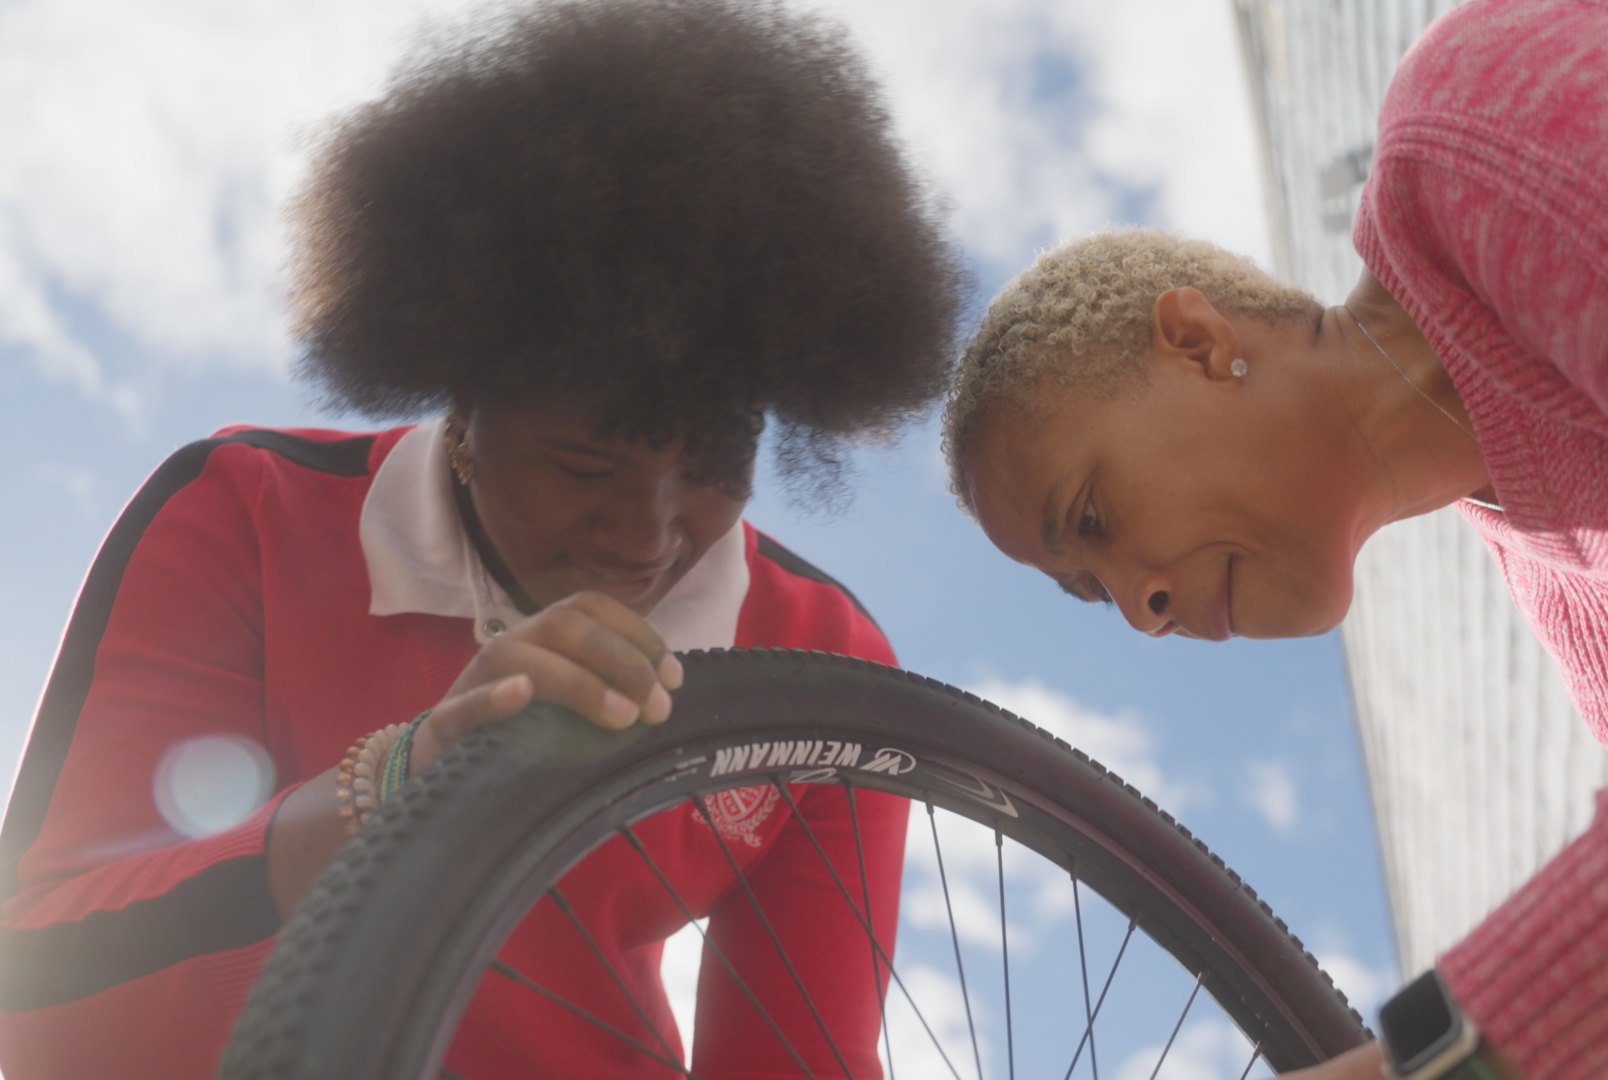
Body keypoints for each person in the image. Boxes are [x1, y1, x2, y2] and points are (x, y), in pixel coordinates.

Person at [941, 2, 1608, 1079]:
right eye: (1091, 591)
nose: (1141, 610)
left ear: (1197, 342)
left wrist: (1439, 1064)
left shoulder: (1487, 128)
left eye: (1093, 517)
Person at [0, 1, 964, 1077]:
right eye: (584, 465)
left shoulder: (825, 662)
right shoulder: (244, 509)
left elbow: (802, 1065)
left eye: (708, 470)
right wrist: (404, 790)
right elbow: (33, 946)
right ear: (463, 407)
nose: (647, 538)